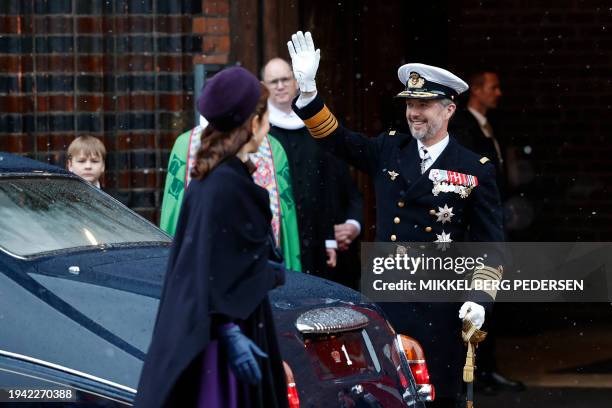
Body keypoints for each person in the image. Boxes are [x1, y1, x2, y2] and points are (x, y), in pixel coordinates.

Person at [287, 31, 504, 407]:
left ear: (449, 109)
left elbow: (492, 246)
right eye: (410, 104)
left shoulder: (474, 168)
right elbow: (336, 139)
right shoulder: (390, 148)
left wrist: (480, 297)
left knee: (436, 396)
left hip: (440, 308)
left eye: (425, 104)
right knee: (383, 395)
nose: (414, 113)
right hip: (387, 303)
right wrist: (309, 94)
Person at [136, 67, 288, 408]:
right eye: (264, 117)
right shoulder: (222, 186)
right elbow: (206, 270)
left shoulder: (222, 179)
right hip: (220, 342)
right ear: (251, 122)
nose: (269, 125)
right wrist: (229, 331)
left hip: (230, 327)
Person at [450, 71, 525, 393]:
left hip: (492, 220)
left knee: (489, 296)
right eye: (493, 87)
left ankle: (487, 368)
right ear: (477, 91)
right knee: (473, 298)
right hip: (472, 227)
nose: (499, 93)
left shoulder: (490, 125)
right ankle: (473, 371)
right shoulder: (464, 126)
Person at [262, 57, 363, 283]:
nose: (280, 86)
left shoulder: (318, 126)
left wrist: (349, 226)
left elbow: (345, 188)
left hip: (321, 240)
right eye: (273, 81)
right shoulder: (260, 133)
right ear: (264, 87)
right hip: (281, 241)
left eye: (285, 79)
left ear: (296, 82)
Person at [160, 112, 302, 272]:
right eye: (262, 119)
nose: (268, 126)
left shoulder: (273, 148)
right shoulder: (187, 146)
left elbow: (283, 219)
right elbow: (175, 214)